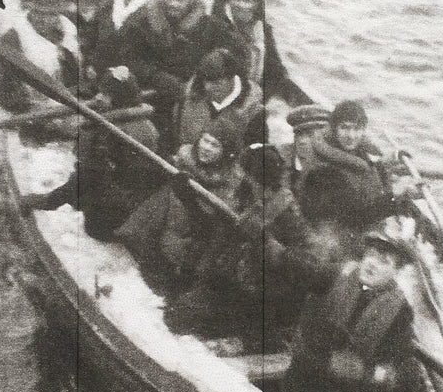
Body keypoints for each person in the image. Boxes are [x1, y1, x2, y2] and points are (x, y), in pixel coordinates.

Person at [280, 218, 430, 392]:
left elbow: (397, 371)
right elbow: (304, 269)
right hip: (304, 377)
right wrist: (275, 250)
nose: (371, 264)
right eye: (370, 255)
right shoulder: (338, 275)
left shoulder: (400, 312)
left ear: (395, 271)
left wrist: (361, 372)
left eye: (383, 261)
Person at [165, 143, 308, 342]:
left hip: (252, 301)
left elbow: (297, 269)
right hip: (219, 282)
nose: (242, 180)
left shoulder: (288, 215)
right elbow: (210, 229)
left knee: (187, 325)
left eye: (250, 178)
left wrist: (264, 240)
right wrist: (187, 197)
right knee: (175, 315)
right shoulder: (242, 196)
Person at [21, 66, 161, 237]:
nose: (99, 97)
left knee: (94, 227)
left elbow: (86, 176)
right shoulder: (141, 122)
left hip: (118, 203)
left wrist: (48, 201)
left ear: (118, 99)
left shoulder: (115, 132)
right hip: (128, 195)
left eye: (106, 94)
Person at [117, 0, 243, 151]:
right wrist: (157, 77)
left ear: (192, 1)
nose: (173, 4)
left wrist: (200, 81)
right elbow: (129, 57)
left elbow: (231, 59)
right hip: (152, 97)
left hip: (194, 99)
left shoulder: (211, 28)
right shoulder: (143, 23)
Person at [115, 116, 242, 282]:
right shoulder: (184, 160)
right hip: (158, 223)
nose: (207, 148)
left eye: (215, 145)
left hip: (187, 240)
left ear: (226, 152)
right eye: (206, 140)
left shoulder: (227, 183)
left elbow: (208, 225)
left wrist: (186, 198)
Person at [0, 0, 82, 126]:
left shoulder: (69, 30)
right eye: (38, 12)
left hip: (60, 110)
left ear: (58, 12)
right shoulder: (14, 37)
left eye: (51, 14)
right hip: (22, 113)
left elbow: (75, 76)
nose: (44, 19)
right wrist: (36, 110)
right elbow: (3, 92)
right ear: (30, 8)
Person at [299, 99, 394, 229]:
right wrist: (396, 198)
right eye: (344, 127)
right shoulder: (322, 171)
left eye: (357, 129)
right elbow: (354, 219)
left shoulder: (355, 152)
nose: (351, 136)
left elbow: (366, 177)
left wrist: (384, 167)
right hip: (332, 238)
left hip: (358, 225)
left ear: (363, 129)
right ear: (334, 129)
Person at [214, 0, 303, 103]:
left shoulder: (262, 29)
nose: (241, 5)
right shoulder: (217, 24)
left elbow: (274, 65)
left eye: (246, 1)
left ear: (254, 5)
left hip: (253, 88)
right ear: (229, 0)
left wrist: (263, 97)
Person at [175, 47, 262, 152]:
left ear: (232, 79)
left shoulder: (254, 111)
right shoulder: (188, 97)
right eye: (205, 81)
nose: (207, 87)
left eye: (217, 83)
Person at [81, 0, 153, 77]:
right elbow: (92, 37)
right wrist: (89, 63)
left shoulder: (150, 13)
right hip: (96, 70)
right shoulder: (109, 5)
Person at [279, 104, 331, 192]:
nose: (302, 141)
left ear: (324, 136)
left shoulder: (332, 165)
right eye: (299, 134)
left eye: (310, 134)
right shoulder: (280, 159)